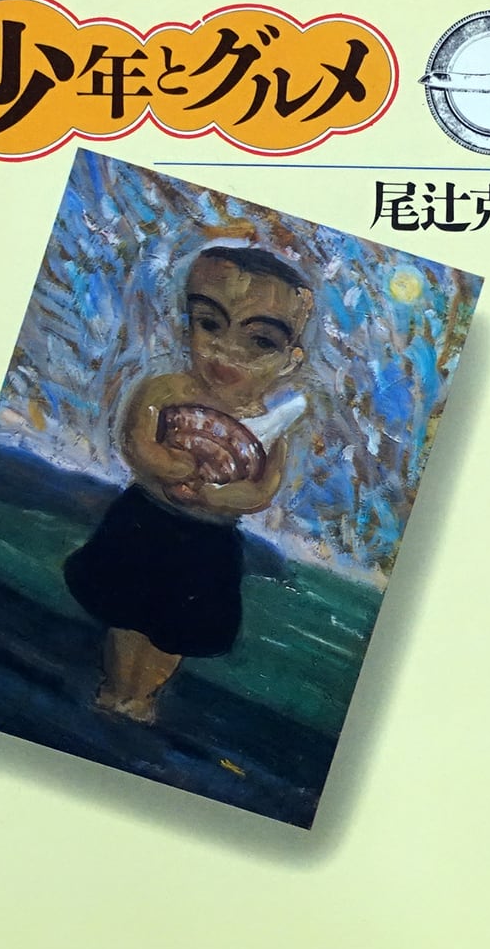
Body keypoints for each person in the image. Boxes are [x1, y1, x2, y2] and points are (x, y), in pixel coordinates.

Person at [64, 244, 314, 724]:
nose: (227, 349)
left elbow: (261, 491)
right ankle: (116, 686)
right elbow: (136, 439)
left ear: (289, 359)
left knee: (174, 630)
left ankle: (143, 694)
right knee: (127, 614)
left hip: (207, 540)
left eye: (261, 341)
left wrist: (219, 496)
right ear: (188, 325)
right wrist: (166, 464)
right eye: (210, 324)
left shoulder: (271, 431)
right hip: (145, 519)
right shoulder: (166, 390)